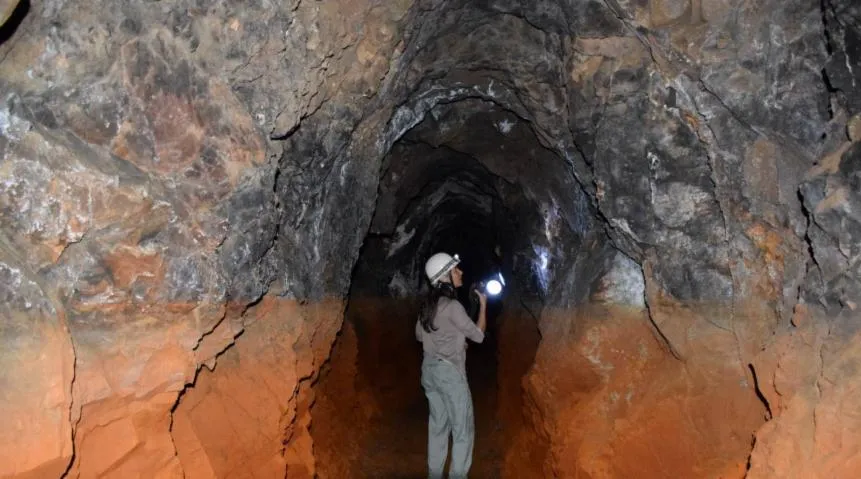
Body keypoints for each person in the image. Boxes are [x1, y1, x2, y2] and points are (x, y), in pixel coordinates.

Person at [415, 252, 487, 479]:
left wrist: (451, 340)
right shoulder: (453, 306)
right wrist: (483, 307)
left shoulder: (427, 307)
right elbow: (478, 336)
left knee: (437, 429)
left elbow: (420, 336)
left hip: (429, 372)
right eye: (456, 269)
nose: (460, 272)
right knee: (462, 431)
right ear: (445, 275)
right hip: (449, 375)